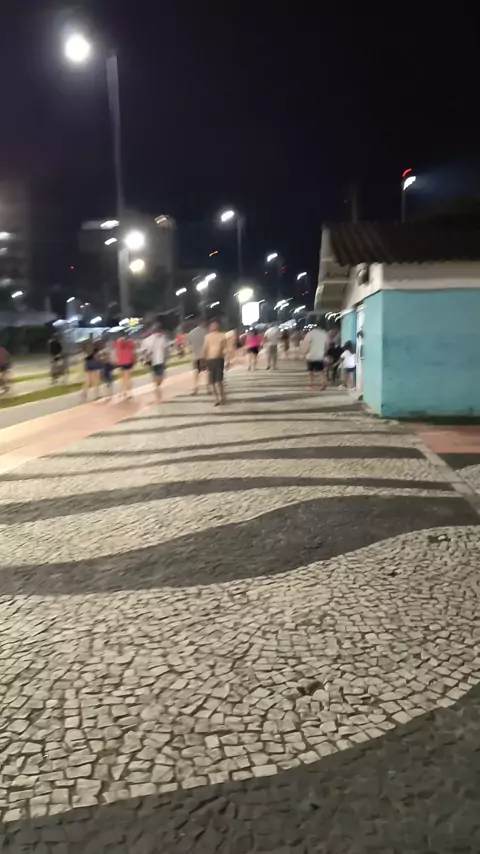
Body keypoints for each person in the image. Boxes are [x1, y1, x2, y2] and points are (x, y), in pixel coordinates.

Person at [202, 319, 226, 406]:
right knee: (215, 381)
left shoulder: (219, 336)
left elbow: (204, 349)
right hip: (214, 360)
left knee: (216, 381)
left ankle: (219, 398)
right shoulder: (212, 336)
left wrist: (204, 360)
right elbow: (205, 349)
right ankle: (218, 398)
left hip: (215, 359)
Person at [144, 322, 169, 402]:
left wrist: (166, 357)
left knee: (159, 377)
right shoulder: (149, 339)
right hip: (154, 361)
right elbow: (145, 350)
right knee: (157, 377)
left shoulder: (163, 338)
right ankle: (158, 391)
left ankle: (157, 387)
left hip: (160, 360)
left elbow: (166, 349)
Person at [302, 322, 328, 391]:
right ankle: (323, 383)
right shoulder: (324, 334)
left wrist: (304, 352)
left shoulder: (310, 334)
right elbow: (326, 345)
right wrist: (325, 353)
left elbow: (306, 344)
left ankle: (310, 385)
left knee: (310, 372)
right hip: (320, 355)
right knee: (321, 371)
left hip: (311, 356)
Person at [188, 319, 208, 395]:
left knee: (196, 372)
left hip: (195, 356)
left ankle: (195, 388)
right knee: (206, 372)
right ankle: (208, 387)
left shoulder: (191, 333)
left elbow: (189, 344)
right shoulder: (206, 332)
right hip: (204, 355)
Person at [114, 333, 136, 399]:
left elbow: (117, 352)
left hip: (121, 361)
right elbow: (132, 352)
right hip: (129, 361)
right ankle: (129, 392)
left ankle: (123, 391)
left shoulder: (118, 342)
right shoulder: (130, 342)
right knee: (128, 377)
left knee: (123, 378)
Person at [83, 335, 102, 401]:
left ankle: (84, 393)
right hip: (92, 362)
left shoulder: (86, 345)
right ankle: (96, 395)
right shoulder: (94, 345)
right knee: (95, 379)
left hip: (87, 362)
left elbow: (86, 354)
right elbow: (95, 353)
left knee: (88, 380)